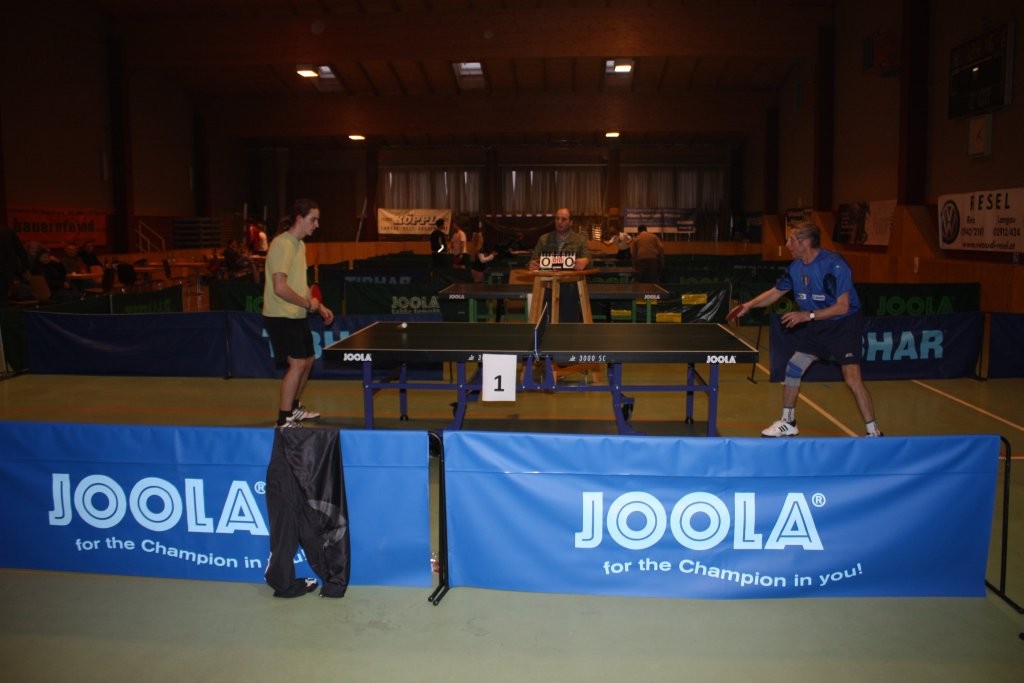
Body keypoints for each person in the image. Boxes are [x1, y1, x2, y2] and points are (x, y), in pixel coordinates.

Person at [727, 222, 883, 438]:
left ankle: (873, 432)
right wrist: (748, 305)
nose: (787, 244)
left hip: (843, 325)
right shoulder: (796, 267)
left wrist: (806, 316)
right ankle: (788, 422)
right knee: (794, 367)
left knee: (852, 377)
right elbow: (775, 292)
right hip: (817, 324)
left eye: (791, 240)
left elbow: (842, 306)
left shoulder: (834, 265)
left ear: (805, 242)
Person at [262, 198, 334, 428]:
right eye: (313, 219)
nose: (317, 225)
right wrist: (307, 304)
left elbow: (299, 284)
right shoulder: (282, 244)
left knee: (308, 360)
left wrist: (318, 306)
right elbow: (280, 287)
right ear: (299, 219)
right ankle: (284, 420)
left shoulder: (300, 245)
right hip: (280, 314)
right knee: (297, 364)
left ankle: (294, 408)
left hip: (296, 314)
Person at [529, 207, 591, 322]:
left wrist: (585, 261)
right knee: (546, 324)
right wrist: (532, 264)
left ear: (571, 222)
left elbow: (589, 260)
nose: (559, 222)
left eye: (563, 219)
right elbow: (533, 260)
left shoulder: (580, 240)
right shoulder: (544, 239)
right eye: (557, 219)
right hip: (547, 286)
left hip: (571, 288)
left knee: (569, 323)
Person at [0, 227, 32, 307]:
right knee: (3, 296)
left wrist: (25, 268)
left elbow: (20, 250)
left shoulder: (8, 232)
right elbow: (20, 250)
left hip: (6, 269)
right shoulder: (8, 232)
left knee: (3, 296)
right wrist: (25, 268)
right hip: (7, 269)